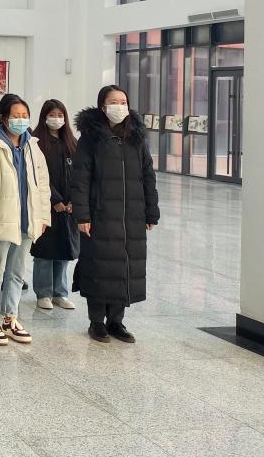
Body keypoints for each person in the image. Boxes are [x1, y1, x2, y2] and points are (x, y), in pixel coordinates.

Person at [72, 85, 160, 344]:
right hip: (100, 214)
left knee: (124, 267)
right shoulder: (90, 138)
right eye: (114, 102)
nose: (119, 106)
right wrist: (82, 215)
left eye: (123, 102)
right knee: (100, 268)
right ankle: (96, 322)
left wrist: (151, 211)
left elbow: (148, 175)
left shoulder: (136, 138)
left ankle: (116, 321)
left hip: (131, 216)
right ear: (103, 106)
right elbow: (80, 179)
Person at [0, 94, 51, 346]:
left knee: (16, 273)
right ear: (3, 118)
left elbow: (43, 185)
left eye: (24, 116)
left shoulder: (33, 147)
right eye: (16, 116)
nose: (21, 120)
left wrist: (43, 216)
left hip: (27, 220)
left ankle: (10, 318)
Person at [30, 99, 80, 311]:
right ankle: (43, 293)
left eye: (60, 115)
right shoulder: (36, 143)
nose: (56, 119)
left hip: (69, 208)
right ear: (44, 117)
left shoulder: (72, 142)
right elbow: (38, 176)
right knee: (45, 252)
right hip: (46, 205)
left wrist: (73, 200)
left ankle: (60, 292)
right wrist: (55, 200)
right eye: (52, 115)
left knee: (63, 250)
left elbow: (80, 174)